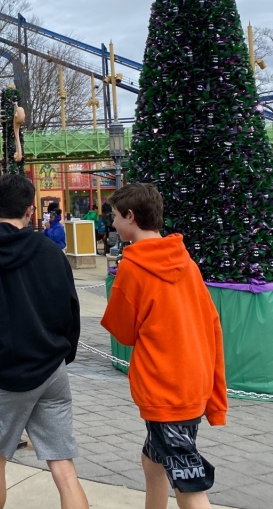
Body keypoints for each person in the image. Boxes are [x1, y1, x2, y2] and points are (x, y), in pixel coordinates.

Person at [0, 173, 88, 509]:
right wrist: (63, 353)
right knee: (63, 465)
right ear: (31, 209)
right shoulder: (51, 252)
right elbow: (70, 310)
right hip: (52, 368)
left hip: (5, 373)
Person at [100, 184, 226, 509]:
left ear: (130, 216)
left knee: (188, 482)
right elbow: (211, 322)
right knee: (153, 460)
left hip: (164, 387)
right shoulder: (185, 261)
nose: (112, 224)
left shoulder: (131, 267)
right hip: (192, 381)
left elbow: (123, 333)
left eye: (115, 216)